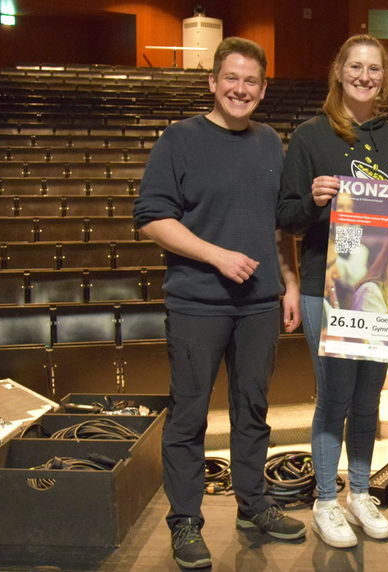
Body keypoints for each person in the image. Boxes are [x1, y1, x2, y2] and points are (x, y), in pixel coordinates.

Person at [133, 37, 305, 569]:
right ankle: (186, 520)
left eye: (251, 81)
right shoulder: (179, 140)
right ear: (212, 81)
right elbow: (152, 220)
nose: (240, 89)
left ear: (262, 88)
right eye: (231, 78)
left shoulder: (270, 141)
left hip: (258, 304)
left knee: (253, 410)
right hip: (197, 303)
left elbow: (278, 225)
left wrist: (290, 282)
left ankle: (253, 505)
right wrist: (216, 256)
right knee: (188, 416)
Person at [277, 34, 388, 548]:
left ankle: (360, 492)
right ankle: (325, 501)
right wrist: (313, 200)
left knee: (368, 394)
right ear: (338, 70)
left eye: (374, 69)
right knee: (334, 396)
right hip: (324, 285)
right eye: (355, 66)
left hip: (378, 289)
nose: (364, 76)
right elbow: (286, 217)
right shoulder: (310, 136)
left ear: (385, 77)